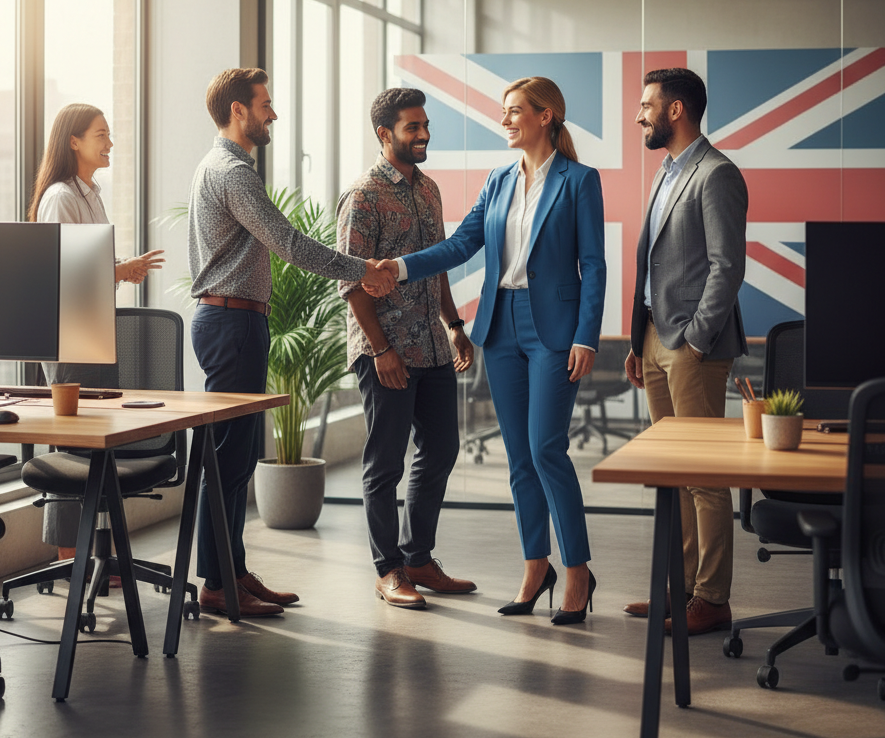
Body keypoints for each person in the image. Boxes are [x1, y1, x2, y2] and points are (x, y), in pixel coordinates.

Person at [377, 76, 606, 625]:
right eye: (504, 112)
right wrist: (402, 267)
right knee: (520, 459)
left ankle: (577, 571)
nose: (504, 121)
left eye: (514, 112)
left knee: (547, 448)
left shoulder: (579, 181)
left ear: (544, 116)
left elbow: (594, 264)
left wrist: (586, 336)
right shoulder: (499, 180)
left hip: (555, 330)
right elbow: (461, 245)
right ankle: (535, 566)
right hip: (502, 326)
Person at [188, 67, 395, 618]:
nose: (273, 114)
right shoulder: (231, 172)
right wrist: (362, 268)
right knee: (230, 460)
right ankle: (215, 583)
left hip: (238, 322)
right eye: (265, 105)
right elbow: (288, 242)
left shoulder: (223, 167)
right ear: (238, 111)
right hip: (230, 324)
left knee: (237, 457)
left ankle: (232, 570)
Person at [336, 88, 477, 609]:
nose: (423, 134)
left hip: (433, 345)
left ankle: (418, 558)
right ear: (384, 134)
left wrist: (455, 324)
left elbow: (434, 263)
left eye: (425, 125)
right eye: (412, 127)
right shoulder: (363, 196)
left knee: (441, 450)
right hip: (386, 350)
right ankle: (388, 569)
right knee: (385, 463)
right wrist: (380, 350)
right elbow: (350, 281)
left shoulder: (430, 190)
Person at [622, 67, 748, 636]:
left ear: (677, 110)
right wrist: (638, 340)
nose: (640, 114)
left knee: (703, 475)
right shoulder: (665, 173)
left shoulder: (716, 173)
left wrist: (696, 338)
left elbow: (727, 266)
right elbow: (654, 262)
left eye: (647, 105)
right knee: (674, 474)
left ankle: (712, 599)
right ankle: (680, 588)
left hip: (692, 347)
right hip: (653, 340)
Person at [28, 102, 165, 557]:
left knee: (98, 444)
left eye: (109, 135)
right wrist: (119, 270)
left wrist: (119, 270)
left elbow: (89, 264)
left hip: (94, 332)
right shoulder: (60, 197)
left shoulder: (90, 193)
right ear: (74, 141)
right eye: (101, 135)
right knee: (74, 447)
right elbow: (62, 274)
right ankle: (70, 560)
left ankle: (96, 554)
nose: (110, 144)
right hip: (71, 336)